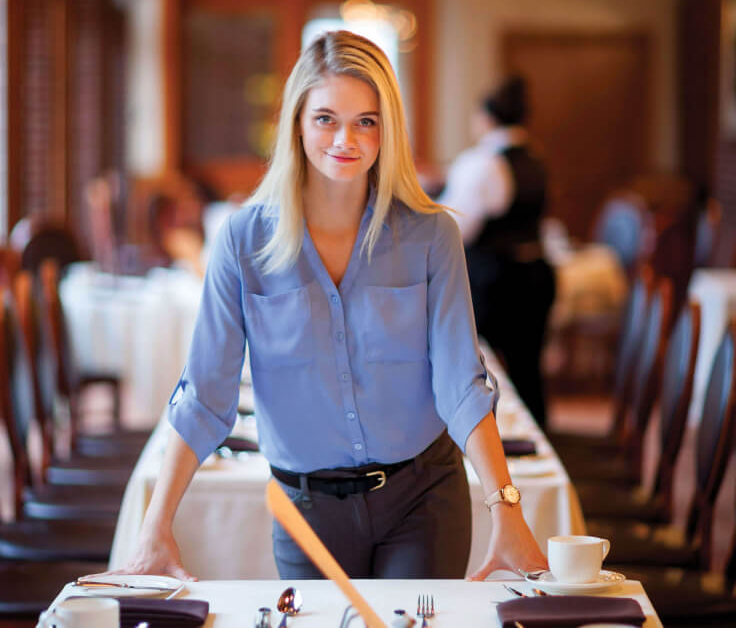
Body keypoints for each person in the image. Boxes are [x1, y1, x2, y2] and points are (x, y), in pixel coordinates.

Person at [97, 32, 546, 582]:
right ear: (297, 123)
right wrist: (154, 526)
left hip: (423, 499)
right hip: (306, 509)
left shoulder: (432, 235)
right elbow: (205, 392)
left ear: (388, 129)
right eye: (326, 118)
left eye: (366, 121)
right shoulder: (243, 240)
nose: (345, 139)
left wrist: (507, 508)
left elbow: (461, 382)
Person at [438, 76, 556, 429]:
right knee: (528, 367)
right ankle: (540, 440)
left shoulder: (483, 163)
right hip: (537, 274)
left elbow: (457, 227)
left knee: (474, 364)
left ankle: (485, 437)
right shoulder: (536, 158)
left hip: (496, 283)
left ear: (487, 117)